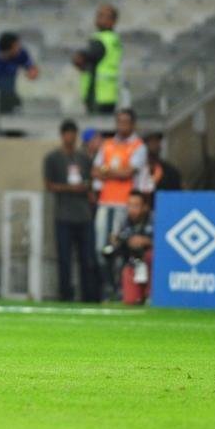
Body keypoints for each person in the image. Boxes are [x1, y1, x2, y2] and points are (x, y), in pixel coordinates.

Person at [92, 109, 147, 298]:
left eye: (126, 122)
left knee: (117, 247)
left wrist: (107, 171)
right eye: (119, 121)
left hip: (125, 205)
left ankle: (119, 288)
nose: (122, 125)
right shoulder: (107, 144)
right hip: (105, 202)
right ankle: (108, 286)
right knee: (100, 248)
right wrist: (115, 172)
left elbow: (128, 173)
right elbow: (95, 171)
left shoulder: (138, 146)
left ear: (133, 124)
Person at [44, 119, 98, 302]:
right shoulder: (53, 158)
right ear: (62, 135)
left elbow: (90, 182)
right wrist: (70, 188)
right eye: (67, 134)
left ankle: (89, 296)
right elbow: (49, 185)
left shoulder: (83, 158)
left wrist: (86, 189)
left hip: (84, 215)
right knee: (64, 259)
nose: (70, 137)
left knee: (87, 258)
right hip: (64, 216)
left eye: (73, 134)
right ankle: (65, 295)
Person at [73, 4, 122, 115]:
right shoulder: (114, 39)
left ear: (113, 21)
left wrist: (79, 59)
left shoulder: (101, 40)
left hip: (97, 93)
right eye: (98, 15)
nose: (99, 18)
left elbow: (81, 58)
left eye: (103, 16)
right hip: (110, 93)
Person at [108, 191, 154, 305]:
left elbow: (166, 244)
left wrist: (146, 241)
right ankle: (117, 292)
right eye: (130, 205)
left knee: (151, 255)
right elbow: (116, 240)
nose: (132, 209)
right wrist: (117, 240)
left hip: (151, 265)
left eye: (136, 205)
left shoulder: (154, 219)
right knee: (131, 301)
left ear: (145, 207)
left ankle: (151, 295)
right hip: (133, 262)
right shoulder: (124, 220)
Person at [138, 131, 182, 198]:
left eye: (157, 142)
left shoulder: (170, 171)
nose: (155, 145)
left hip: (164, 203)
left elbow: (177, 194)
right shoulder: (136, 169)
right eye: (151, 142)